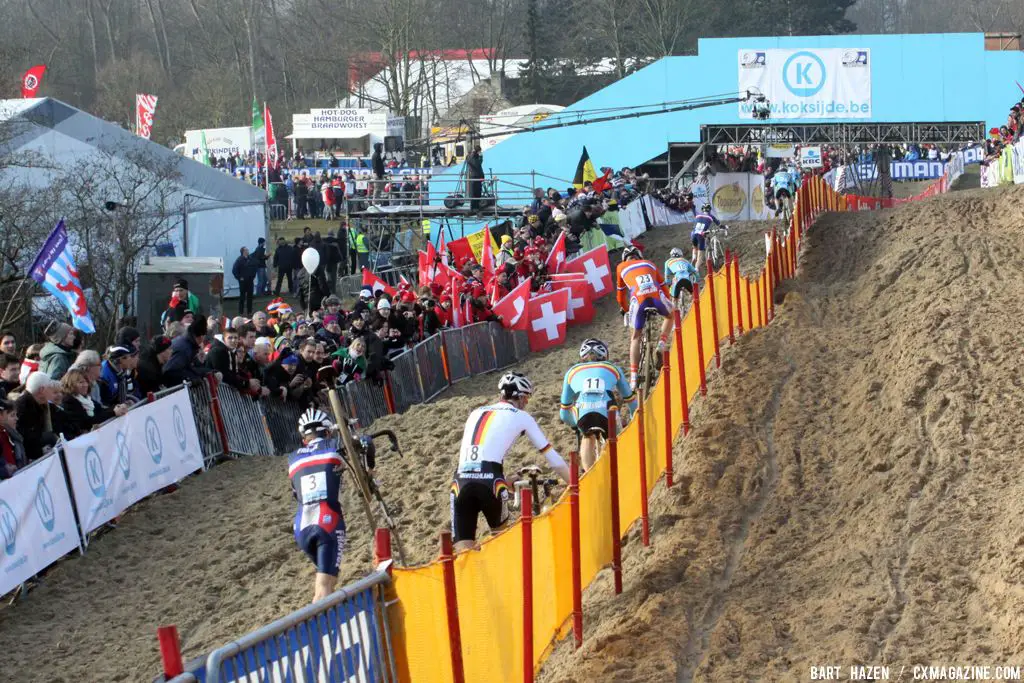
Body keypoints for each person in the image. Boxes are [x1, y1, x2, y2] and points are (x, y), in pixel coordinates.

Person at [450, 372, 570, 552]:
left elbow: (478, 461)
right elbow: (553, 459)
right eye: (527, 398)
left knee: (463, 551)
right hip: (491, 481)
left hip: (460, 481)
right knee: (501, 543)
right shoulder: (522, 417)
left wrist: (504, 480)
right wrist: (574, 481)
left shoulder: (475, 412)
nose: (527, 403)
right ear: (520, 397)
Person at [289, 408, 347, 603]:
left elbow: (295, 492)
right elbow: (365, 443)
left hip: (301, 526)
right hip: (328, 521)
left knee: (329, 579)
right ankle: (321, 630)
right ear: (328, 431)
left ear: (304, 439)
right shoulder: (335, 445)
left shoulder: (293, 457)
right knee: (323, 590)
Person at [559, 340, 637, 470]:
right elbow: (629, 398)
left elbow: (564, 412)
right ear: (605, 356)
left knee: (586, 435)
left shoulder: (571, 372)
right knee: (616, 441)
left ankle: (588, 473)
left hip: (584, 410)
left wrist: (575, 425)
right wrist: (632, 415)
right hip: (607, 411)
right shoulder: (612, 367)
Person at [615, 246, 675, 392]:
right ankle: (661, 344)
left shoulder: (621, 267)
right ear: (639, 257)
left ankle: (634, 378)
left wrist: (625, 309)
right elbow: (664, 288)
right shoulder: (649, 263)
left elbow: (620, 296)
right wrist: (667, 302)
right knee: (672, 314)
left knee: (635, 337)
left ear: (625, 259)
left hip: (639, 300)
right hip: (656, 297)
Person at [60, 368, 127, 440]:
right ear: (71, 384)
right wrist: (113, 412)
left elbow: (101, 410)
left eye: (86, 382)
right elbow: (87, 422)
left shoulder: (87, 399)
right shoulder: (69, 401)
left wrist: (117, 407)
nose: (85, 385)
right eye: (81, 382)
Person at [15, 372, 60, 461]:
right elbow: (25, 437)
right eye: (49, 388)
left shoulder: (44, 405)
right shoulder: (22, 407)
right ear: (42, 390)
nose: (51, 391)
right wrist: (40, 451)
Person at [690, 204, 723, 271]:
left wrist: (692, 205)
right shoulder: (711, 216)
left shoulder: (698, 214)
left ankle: (694, 257)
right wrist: (724, 227)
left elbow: (693, 209)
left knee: (694, 247)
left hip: (693, 233)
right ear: (710, 210)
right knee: (701, 257)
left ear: (702, 209)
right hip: (701, 234)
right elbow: (719, 225)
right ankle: (696, 268)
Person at [0, 398, 26, 480]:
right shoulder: (2, 434)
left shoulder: (9, 434)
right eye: (12, 415)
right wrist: (5, 471)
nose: (16, 418)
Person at [233, 246, 258, 316]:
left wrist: (253, 276)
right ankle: (241, 312)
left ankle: (249, 312)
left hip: (250, 281)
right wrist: (239, 277)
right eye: (246, 250)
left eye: (247, 250)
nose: (248, 251)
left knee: (250, 297)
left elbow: (254, 267)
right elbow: (234, 270)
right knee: (242, 297)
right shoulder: (239, 260)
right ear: (243, 252)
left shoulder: (250, 259)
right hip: (243, 282)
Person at [466, 144, 485, 212]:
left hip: (477, 176)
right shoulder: (471, 157)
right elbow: (477, 165)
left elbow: (479, 165)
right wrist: (480, 157)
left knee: (478, 192)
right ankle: (474, 207)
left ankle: (477, 206)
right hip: (474, 177)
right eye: (479, 151)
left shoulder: (473, 156)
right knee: (475, 193)